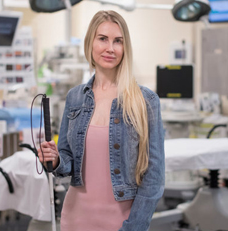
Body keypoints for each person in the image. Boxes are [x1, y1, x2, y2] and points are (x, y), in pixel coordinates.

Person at [38, 10, 165, 231]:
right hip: (76, 218)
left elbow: (154, 177)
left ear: (125, 48)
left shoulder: (145, 100)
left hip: (122, 222)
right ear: (90, 43)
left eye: (118, 41)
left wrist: (134, 227)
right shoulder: (75, 97)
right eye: (103, 39)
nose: (110, 48)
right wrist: (56, 160)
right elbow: (68, 161)